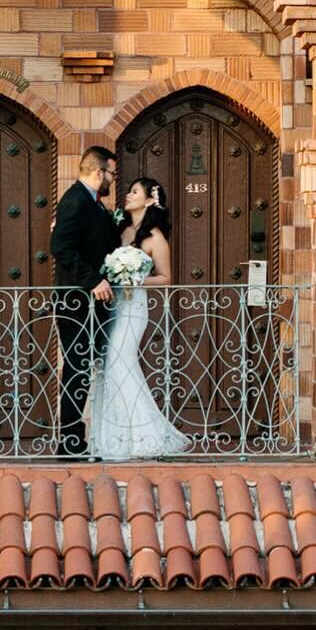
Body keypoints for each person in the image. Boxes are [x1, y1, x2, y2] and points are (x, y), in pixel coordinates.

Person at [88, 177, 192, 462]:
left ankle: (146, 437)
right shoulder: (119, 228)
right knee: (110, 368)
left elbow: (166, 278)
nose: (128, 195)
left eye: (135, 192)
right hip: (110, 307)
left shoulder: (155, 236)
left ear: (148, 200)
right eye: (129, 190)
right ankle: (115, 439)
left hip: (133, 309)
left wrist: (135, 278)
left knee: (121, 365)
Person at [50, 145, 121, 457]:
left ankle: (80, 438)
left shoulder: (92, 203)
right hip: (76, 303)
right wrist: (93, 280)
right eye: (112, 174)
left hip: (89, 305)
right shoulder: (76, 200)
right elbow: (60, 246)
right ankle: (69, 442)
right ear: (98, 172)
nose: (113, 180)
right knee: (77, 368)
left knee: (84, 367)